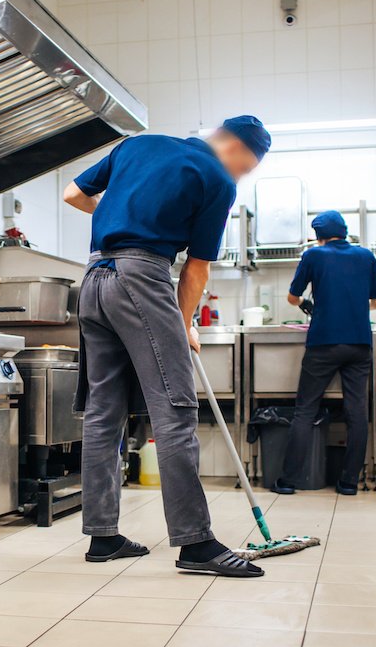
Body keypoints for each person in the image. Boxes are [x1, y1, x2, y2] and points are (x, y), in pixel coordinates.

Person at [62, 116, 271, 577]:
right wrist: (184, 323)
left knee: (103, 412)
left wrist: (119, 215)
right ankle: (196, 544)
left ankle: (103, 536)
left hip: (94, 280)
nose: (241, 175)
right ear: (235, 148)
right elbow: (196, 269)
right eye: (247, 166)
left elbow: (73, 194)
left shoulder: (136, 146)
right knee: (175, 407)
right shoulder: (216, 178)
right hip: (142, 277)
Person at [276, 210, 376, 496]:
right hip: (359, 344)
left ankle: (289, 481)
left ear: (319, 236)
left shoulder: (313, 256)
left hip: (323, 342)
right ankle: (349, 482)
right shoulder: (366, 256)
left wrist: (308, 304)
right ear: (344, 231)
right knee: (356, 412)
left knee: (305, 410)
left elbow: (292, 297)